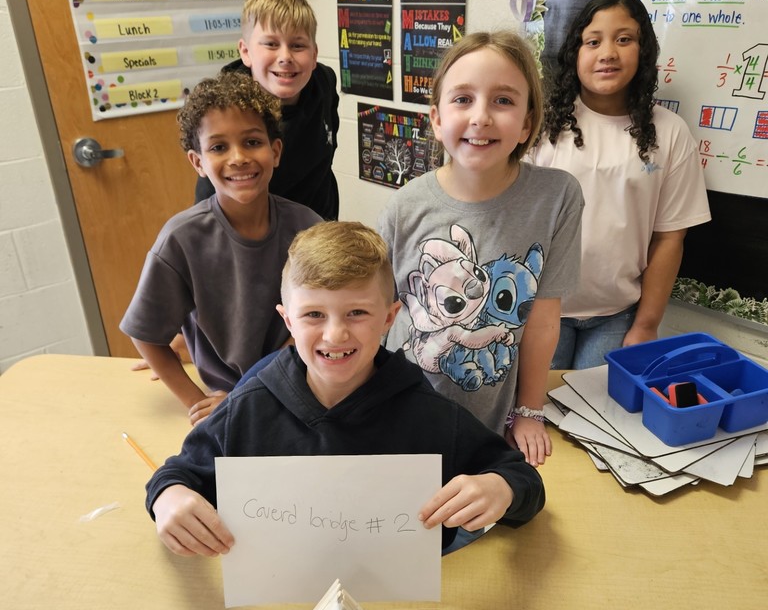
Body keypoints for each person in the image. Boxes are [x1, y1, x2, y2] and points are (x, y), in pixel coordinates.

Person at [146, 221, 546, 558]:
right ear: (287, 321)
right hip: (279, 602)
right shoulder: (251, 404)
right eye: (313, 315)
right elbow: (178, 474)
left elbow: (521, 478)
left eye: (357, 312)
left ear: (390, 317)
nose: (335, 334)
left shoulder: (425, 411)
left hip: (401, 605)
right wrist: (170, 499)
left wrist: (501, 488)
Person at [377, 31, 584, 470]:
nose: (481, 117)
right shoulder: (406, 205)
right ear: (436, 118)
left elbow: (544, 319)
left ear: (528, 123)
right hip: (398, 411)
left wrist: (529, 410)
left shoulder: (558, 197)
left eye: (504, 101)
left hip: (485, 422)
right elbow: (379, 315)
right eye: (463, 99)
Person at [121, 73, 321, 425]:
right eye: (218, 147)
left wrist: (259, 390)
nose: (238, 158)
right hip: (228, 405)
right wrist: (198, 402)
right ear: (197, 162)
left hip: (303, 388)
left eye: (252, 142)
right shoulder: (181, 239)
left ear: (275, 152)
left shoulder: (308, 227)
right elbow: (146, 334)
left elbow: (320, 320)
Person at [529, 0, 711, 370]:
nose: (608, 52)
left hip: (618, 315)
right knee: (535, 419)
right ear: (574, 53)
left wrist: (646, 325)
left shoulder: (670, 132)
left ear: (643, 51)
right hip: (542, 308)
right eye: (593, 41)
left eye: (624, 39)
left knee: (600, 424)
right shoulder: (542, 127)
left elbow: (670, 236)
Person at [194, 0, 340, 220]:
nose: (285, 57)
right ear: (246, 52)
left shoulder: (324, 81)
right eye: (271, 44)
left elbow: (326, 153)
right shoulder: (224, 111)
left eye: (297, 45)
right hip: (253, 230)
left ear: (314, 55)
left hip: (317, 227)